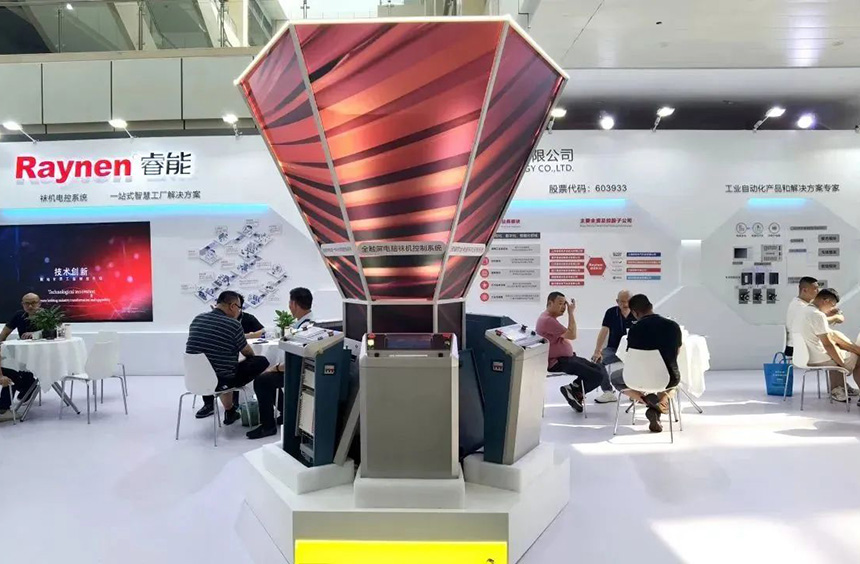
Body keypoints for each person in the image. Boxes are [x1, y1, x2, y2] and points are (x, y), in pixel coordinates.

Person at [187, 291, 270, 425]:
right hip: (220, 380)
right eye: (239, 307)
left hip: (194, 378)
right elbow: (248, 352)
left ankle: (229, 410)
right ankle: (232, 408)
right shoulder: (233, 324)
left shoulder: (198, 319)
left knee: (225, 367)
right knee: (260, 361)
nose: (239, 311)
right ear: (232, 306)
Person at [247, 287, 314, 439]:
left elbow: (297, 358)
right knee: (266, 378)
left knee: (262, 380)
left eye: (290, 302)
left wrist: (276, 368)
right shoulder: (304, 323)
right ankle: (286, 413)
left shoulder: (304, 328)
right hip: (297, 368)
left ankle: (268, 426)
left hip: (298, 371)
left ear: (294, 304)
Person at [609, 294, 682, 433]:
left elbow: (632, 356)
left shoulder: (634, 329)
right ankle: (660, 404)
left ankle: (647, 401)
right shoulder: (673, 326)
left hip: (637, 378)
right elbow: (676, 353)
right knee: (675, 381)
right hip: (667, 377)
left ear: (635, 313)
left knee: (615, 377)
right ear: (651, 306)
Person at [535, 292, 604, 413]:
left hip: (566, 359)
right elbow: (572, 335)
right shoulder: (547, 320)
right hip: (557, 362)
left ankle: (573, 390)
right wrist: (571, 313)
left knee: (598, 369)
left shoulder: (550, 319)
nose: (563, 307)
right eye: (560, 303)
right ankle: (574, 391)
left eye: (564, 304)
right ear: (550, 303)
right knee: (597, 375)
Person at [797, 288, 860, 403]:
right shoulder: (817, 315)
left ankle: (840, 387)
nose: (832, 308)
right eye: (832, 305)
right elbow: (828, 345)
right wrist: (842, 365)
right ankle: (838, 388)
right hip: (818, 357)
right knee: (856, 358)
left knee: (835, 338)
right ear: (826, 301)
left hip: (804, 356)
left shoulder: (804, 310)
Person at [0, 293, 41, 419]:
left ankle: (28, 388)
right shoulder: (19, 315)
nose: (30, 306)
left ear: (39, 303)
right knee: (15, 373)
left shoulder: (46, 316)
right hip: (23, 353)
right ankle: (29, 387)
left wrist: (36, 334)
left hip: (42, 353)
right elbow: (5, 332)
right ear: (22, 304)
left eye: (33, 303)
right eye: (27, 303)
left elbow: (55, 332)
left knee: (17, 374)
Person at [590, 290, 635, 404]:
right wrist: (597, 350)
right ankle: (608, 392)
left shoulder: (637, 313)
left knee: (642, 362)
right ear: (617, 301)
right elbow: (604, 331)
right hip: (614, 349)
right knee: (596, 360)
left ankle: (636, 391)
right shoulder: (611, 312)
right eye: (622, 302)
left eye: (628, 301)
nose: (625, 304)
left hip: (633, 350)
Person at [785, 277, 844, 357]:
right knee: (838, 347)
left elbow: (817, 317)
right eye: (815, 289)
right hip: (798, 347)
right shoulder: (798, 306)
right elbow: (818, 320)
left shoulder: (805, 305)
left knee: (837, 344)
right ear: (804, 290)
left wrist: (830, 312)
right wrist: (836, 318)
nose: (818, 292)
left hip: (805, 345)